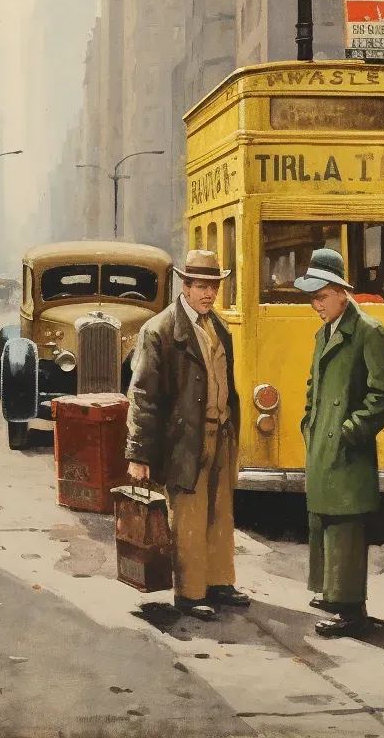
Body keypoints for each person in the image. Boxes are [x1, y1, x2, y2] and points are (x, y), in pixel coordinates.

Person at [125, 250, 249, 621]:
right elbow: (143, 396)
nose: (208, 294)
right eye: (200, 287)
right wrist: (138, 455)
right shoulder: (159, 330)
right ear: (185, 286)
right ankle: (191, 593)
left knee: (220, 512)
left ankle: (220, 582)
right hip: (184, 439)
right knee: (190, 516)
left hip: (220, 433)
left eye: (213, 286)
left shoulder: (219, 327)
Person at [295, 248, 384, 638]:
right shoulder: (326, 331)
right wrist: (310, 423)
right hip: (324, 443)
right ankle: (333, 597)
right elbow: (315, 386)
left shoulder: (369, 332)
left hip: (346, 446)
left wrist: (351, 429)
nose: (316, 305)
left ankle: (349, 609)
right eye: (313, 298)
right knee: (326, 521)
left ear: (342, 292)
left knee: (345, 526)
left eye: (321, 297)